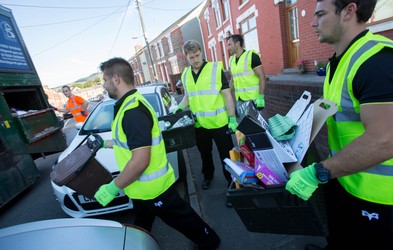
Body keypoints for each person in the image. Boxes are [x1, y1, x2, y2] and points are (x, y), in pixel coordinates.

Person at [285, 0, 393, 249]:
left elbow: (387, 140)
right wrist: (294, 125)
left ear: (349, 12)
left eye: (320, 14)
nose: (312, 23)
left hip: (373, 194)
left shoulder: (377, 60)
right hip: (345, 177)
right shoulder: (340, 59)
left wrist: (320, 173)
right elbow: (334, 109)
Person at [93, 57, 221, 250]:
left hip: (154, 190)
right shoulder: (130, 105)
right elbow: (131, 143)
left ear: (116, 79)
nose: (104, 85)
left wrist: (113, 187)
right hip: (141, 190)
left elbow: (141, 160)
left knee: (185, 221)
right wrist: (106, 143)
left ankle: (210, 242)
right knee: (141, 226)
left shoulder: (132, 111)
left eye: (105, 80)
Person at [174, 40, 237, 193]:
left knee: (226, 155)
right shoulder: (186, 74)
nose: (195, 60)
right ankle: (208, 176)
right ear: (187, 57)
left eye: (197, 55)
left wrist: (232, 117)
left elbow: (227, 95)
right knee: (205, 154)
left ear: (201, 52)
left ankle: (232, 184)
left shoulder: (215, 69)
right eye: (191, 57)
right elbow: (188, 96)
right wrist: (179, 107)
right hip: (199, 125)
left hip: (219, 123)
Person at [226, 34, 266, 119]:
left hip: (254, 100)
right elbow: (233, 80)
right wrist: (226, 94)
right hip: (240, 100)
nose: (228, 48)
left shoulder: (251, 56)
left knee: (258, 127)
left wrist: (261, 97)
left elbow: (262, 76)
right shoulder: (231, 60)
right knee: (245, 127)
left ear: (237, 43)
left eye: (229, 44)